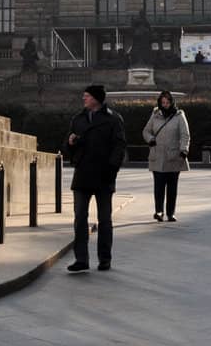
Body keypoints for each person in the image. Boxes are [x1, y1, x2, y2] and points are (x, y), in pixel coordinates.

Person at [62, 85, 127, 273]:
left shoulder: (113, 119)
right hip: (82, 174)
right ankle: (81, 259)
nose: (84, 99)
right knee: (80, 218)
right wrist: (70, 142)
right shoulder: (78, 119)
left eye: (87, 96)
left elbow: (119, 146)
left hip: (104, 175)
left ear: (97, 99)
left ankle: (104, 258)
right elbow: (67, 146)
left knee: (104, 219)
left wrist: (112, 169)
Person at [142, 90, 190, 221]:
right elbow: (146, 131)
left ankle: (170, 213)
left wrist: (184, 149)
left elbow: (185, 135)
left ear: (172, 102)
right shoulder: (155, 114)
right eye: (163, 102)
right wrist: (150, 139)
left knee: (172, 187)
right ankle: (159, 211)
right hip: (157, 155)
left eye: (167, 102)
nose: (165, 105)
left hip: (174, 156)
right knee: (158, 186)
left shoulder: (179, 115)